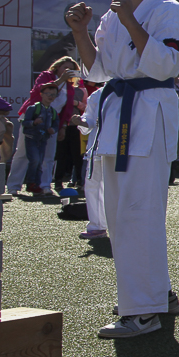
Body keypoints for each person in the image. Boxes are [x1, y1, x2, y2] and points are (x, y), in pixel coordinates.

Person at [63, 0, 179, 338]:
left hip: (148, 114)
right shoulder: (112, 14)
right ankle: (157, 295)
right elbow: (98, 70)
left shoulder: (170, 12)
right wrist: (81, 32)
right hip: (116, 114)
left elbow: (165, 64)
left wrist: (130, 21)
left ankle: (142, 311)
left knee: (139, 214)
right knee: (120, 217)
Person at [6, 56, 80, 196]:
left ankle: (44, 186)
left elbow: (68, 109)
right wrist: (60, 80)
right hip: (33, 118)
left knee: (49, 155)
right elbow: (37, 91)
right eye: (65, 67)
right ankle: (13, 186)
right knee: (23, 153)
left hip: (51, 122)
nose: (68, 70)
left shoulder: (70, 87)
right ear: (57, 67)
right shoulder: (46, 76)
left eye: (71, 69)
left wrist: (63, 127)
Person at [72, 83, 107, 240]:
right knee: (93, 187)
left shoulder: (133, 91)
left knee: (120, 189)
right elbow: (90, 120)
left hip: (123, 150)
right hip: (97, 149)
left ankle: (123, 227)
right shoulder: (97, 95)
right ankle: (97, 226)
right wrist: (81, 122)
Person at [22, 84, 60, 194]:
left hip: (43, 140)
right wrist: (34, 123)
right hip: (31, 138)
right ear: (41, 94)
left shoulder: (53, 111)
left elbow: (56, 125)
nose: (50, 96)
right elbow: (24, 122)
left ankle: (36, 185)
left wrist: (53, 129)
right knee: (35, 160)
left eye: (53, 94)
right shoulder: (33, 108)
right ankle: (31, 183)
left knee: (39, 162)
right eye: (48, 93)